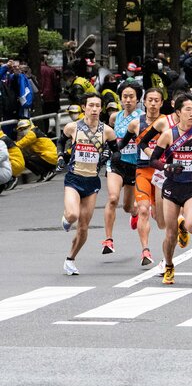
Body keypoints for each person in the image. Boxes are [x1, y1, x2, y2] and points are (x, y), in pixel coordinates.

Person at [150, 93, 192, 285]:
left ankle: (183, 226)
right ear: (178, 112)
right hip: (171, 188)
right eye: (188, 110)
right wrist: (167, 167)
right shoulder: (168, 134)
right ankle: (168, 265)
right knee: (170, 234)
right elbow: (154, 159)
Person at [59, 95, 118, 275]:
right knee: (73, 214)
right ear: (84, 107)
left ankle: (70, 259)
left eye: (97, 106)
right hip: (74, 178)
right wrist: (61, 156)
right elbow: (61, 141)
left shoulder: (107, 131)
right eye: (90, 105)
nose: (94, 109)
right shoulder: (73, 127)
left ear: (101, 109)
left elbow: (117, 152)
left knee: (84, 227)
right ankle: (66, 219)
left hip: (92, 181)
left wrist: (109, 156)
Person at [125, 86, 169, 267]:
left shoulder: (167, 123)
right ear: (144, 102)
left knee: (161, 220)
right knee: (142, 209)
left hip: (161, 173)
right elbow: (121, 143)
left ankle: (154, 208)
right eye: (149, 100)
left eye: (156, 100)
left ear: (161, 103)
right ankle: (145, 250)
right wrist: (115, 154)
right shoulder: (136, 123)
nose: (152, 104)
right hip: (142, 170)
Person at [102, 80, 143, 256]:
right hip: (116, 163)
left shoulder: (142, 118)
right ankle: (108, 239)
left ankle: (134, 213)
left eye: (131, 97)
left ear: (137, 99)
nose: (127, 100)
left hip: (133, 165)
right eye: (124, 97)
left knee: (128, 206)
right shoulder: (114, 117)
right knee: (112, 198)